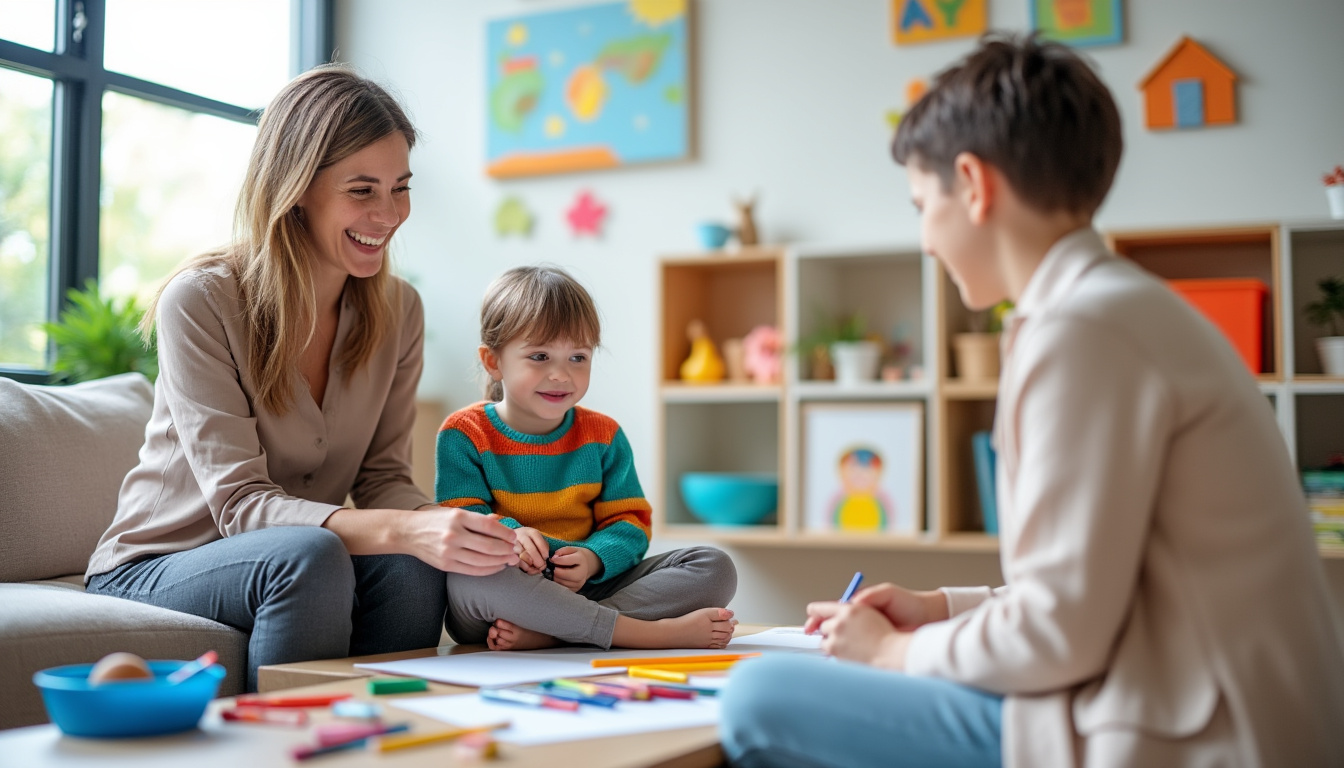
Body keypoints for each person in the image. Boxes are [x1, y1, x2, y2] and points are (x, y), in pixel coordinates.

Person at [721, 33, 1344, 768]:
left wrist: (896, 649)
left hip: (1191, 738)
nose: (925, 241)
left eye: (924, 205)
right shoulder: (1122, 307)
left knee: (758, 699)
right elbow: (1089, 591)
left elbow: (1058, 632)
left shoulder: (1082, 329)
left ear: (974, 185)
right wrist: (940, 610)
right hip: (1206, 704)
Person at [85, 65, 522, 692]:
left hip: (284, 555)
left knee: (412, 565)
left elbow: (382, 480)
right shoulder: (202, 301)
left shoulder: (400, 312)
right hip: (160, 563)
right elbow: (241, 506)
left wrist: (472, 531)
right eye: (362, 190)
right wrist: (407, 529)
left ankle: (389, 738)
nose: (390, 213)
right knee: (311, 555)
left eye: (400, 187)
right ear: (296, 189)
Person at [438, 265, 738, 652]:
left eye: (578, 357)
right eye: (540, 356)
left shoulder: (603, 435)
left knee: (714, 566)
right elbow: (460, 516)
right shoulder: (464, 432)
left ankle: (556, 633)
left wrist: (594, 559)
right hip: (506, 588)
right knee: (472, 576)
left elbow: (629, 523)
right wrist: (511, 536)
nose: (561, 375)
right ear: (493, 361)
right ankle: (643, 634)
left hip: (588, 588)